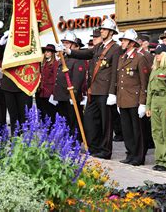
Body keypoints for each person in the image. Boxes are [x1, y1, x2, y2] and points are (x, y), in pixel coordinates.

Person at [64, 18, 121, 159]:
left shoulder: (115, 48)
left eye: (103, 29)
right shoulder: (99, 47)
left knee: (105, 124)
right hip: (93, 90)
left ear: (111, 32)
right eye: (101, 29)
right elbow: (85, 54)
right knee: (90, 120)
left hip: (105, 91)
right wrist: (68, 51)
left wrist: (112, 93)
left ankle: (105, 151)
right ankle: (94, 147)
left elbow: (115, 72)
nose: (101, 31)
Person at [117, 29, 149, 166]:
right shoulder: (122, 57)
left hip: (135, 100)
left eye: (124, 40)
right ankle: (130, 154)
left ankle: (139, 156)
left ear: (131, 43)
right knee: (127, 130)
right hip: (124, 99)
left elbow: (144, 82)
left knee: (138, 131)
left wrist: (143, 102)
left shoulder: (140, 58)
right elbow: (120, 81)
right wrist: (118, 101)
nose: (122, 43)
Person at [146, 44, 166, 171]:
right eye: (155, 54)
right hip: (155, 101)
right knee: (156, 133)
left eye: (159, 53)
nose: (156, 56)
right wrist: (148, 106)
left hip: (165, 99)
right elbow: (149, 89)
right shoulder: (155, 70)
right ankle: (159, 159)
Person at [53, 32, 86, 139]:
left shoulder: (78, 59)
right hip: (62, 95)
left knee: (73, 121)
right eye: (64, 43)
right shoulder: (64, 58)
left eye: (67, 43)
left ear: (74, 45)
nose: (65, 45)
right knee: (64, 120)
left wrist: (74, 94)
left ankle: (74, 141)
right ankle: (66, 139)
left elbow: (78, 78)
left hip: (70, 95)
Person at [37, 44, 59, 122]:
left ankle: (51, 129)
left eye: (48, 52)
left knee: (51, 111)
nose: (46, 53)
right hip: (42, 91)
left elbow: (55, 78)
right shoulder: (44, 63)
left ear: (52, 53)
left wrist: (54, 93)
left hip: (50, 92)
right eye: (45, 51)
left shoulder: (55, 63)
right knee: (43, 111)